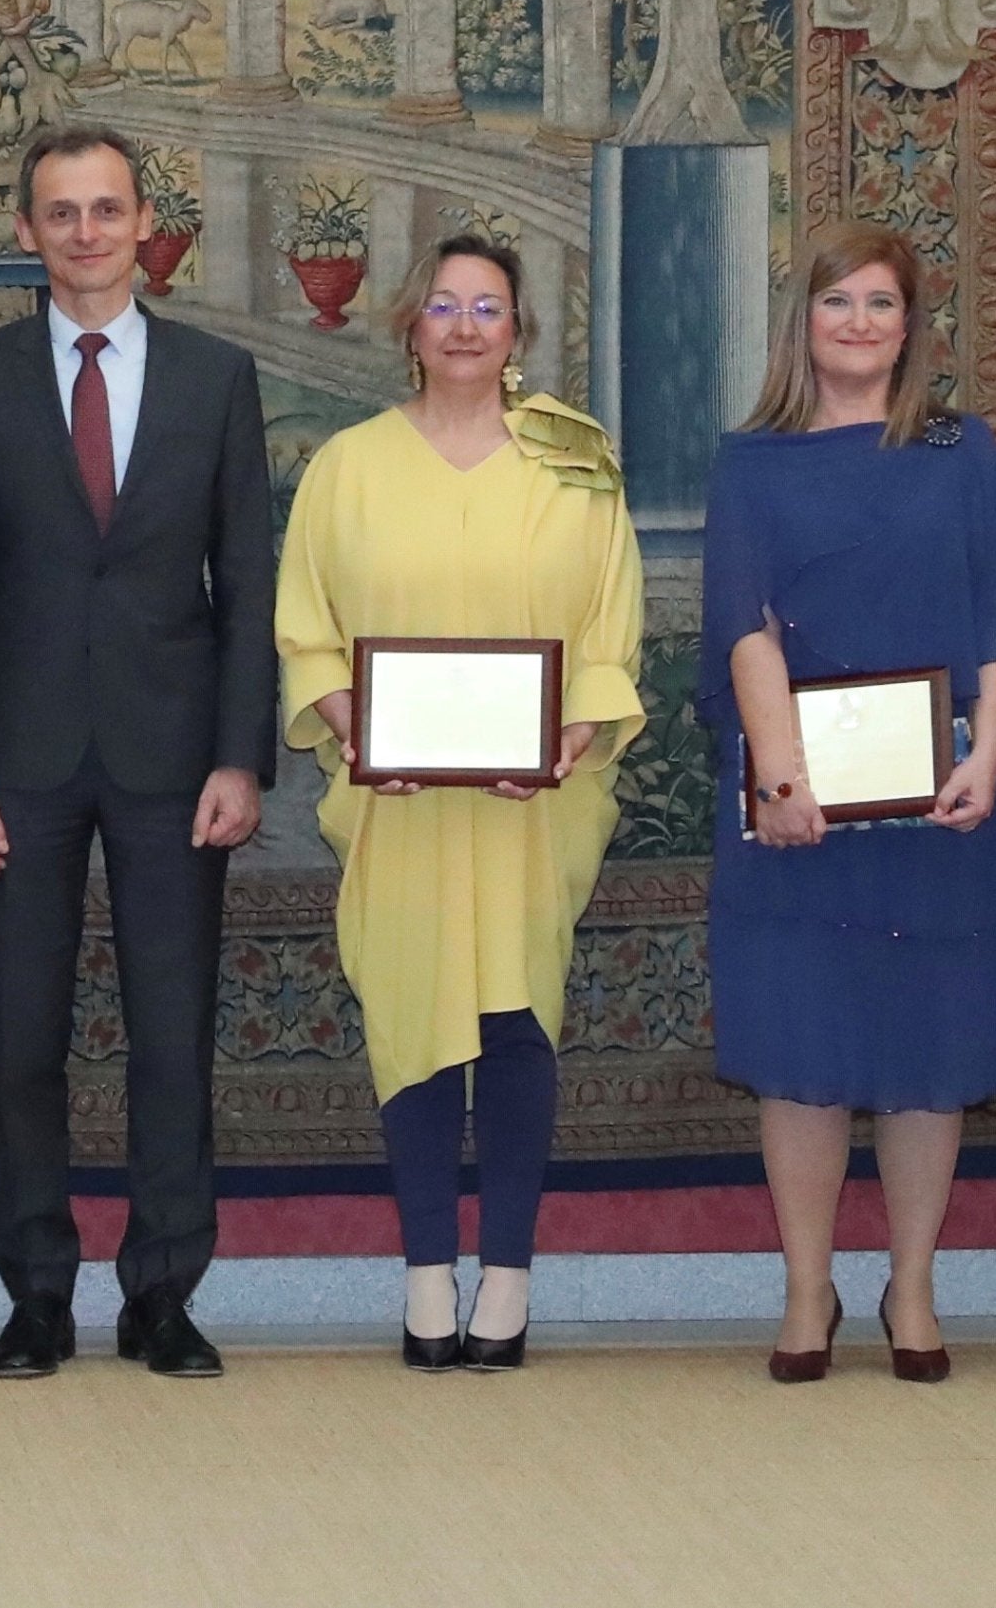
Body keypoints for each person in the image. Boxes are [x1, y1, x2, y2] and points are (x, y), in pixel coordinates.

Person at [0, 122, 275, 1381]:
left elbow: (248, 580)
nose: (84, 232)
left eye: (106, 209)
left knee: (172, 1035)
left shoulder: (216, 377)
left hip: (175, 759)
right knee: (22, 1035)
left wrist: (241, 754)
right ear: (25, 232)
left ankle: (163, 1292)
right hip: (15, 761)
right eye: (59, 213)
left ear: (143, 225)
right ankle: (34, 1291)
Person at [272, 232, 641, 1373]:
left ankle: (510, 1278)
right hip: (404, 810)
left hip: (532, 805)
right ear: (409, 327)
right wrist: (353, 727)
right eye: (444, 304)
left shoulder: (576, 466)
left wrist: (570, 730)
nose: (466, 325)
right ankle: (427, 1271)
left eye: (489, 306)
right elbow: (305, 628)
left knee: (516, 1017)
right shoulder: (348, 465)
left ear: (519, 329)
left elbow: (609, 627)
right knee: (413, 1016)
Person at [700, 220, 996, 1385]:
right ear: (804, 320)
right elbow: (740, 620)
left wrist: (987, 752)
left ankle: (914, 1287)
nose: (857, 323)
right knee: (801, 1044)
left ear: (909, 327)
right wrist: (781, 776)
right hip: (798, 810)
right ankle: (805, 1289)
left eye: (880, 304)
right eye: (837, 302)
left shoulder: (958, 446)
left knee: (927, 1045)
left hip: (940, 800)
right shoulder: (752, 455)